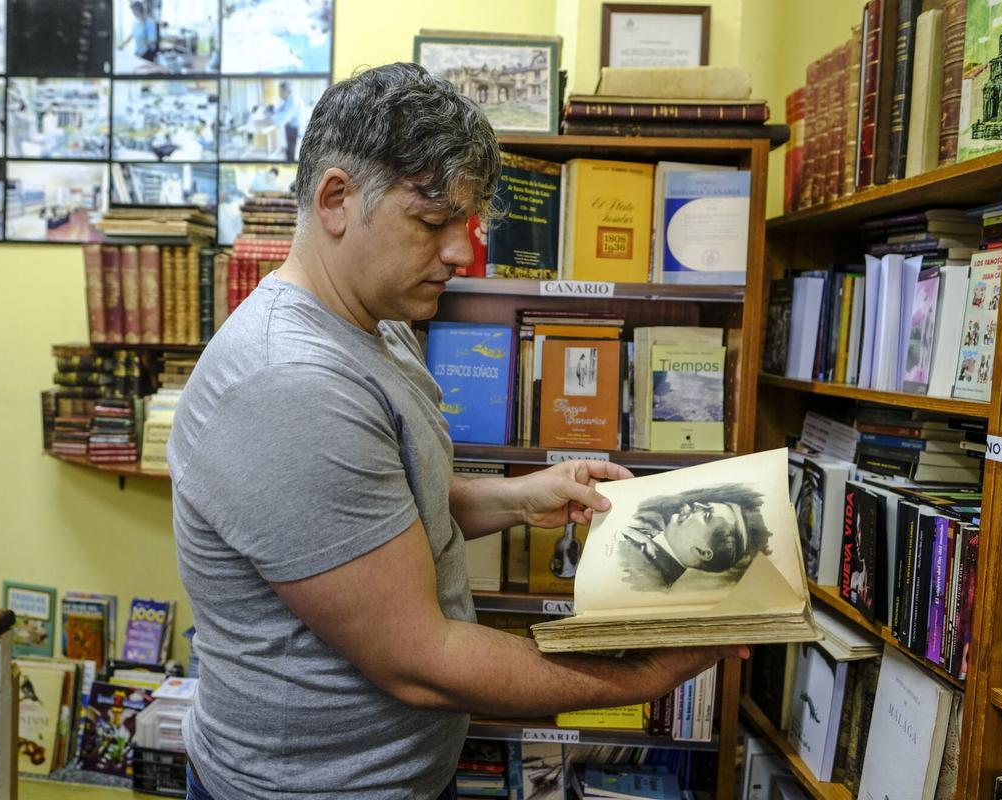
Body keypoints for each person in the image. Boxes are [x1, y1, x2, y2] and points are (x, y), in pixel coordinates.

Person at [169, 63, 742, 800]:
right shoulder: (290, 383)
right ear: (337, 200)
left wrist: (524, 496)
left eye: (467, 224)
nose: (462, 253)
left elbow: (394, 512)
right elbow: (421, 661)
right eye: (433, 222)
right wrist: (644, 674)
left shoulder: (375, 322)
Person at [615, 484, 773, 592]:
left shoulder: (646, 577)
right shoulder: (649, 523)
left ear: (702, 551)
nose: (697, 504)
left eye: (706, 514)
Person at [273, 79, 303, 160]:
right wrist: (273, 111)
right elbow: (280, 109)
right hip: (291, 127)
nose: (279, 94)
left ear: (285, 91)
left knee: (291, 150)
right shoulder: (289, 99)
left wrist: (271, 119)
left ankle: (289, 162)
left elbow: (283, 119)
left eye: (280, 91)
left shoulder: (292, 100)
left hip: (294, 128)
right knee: (289, 148)